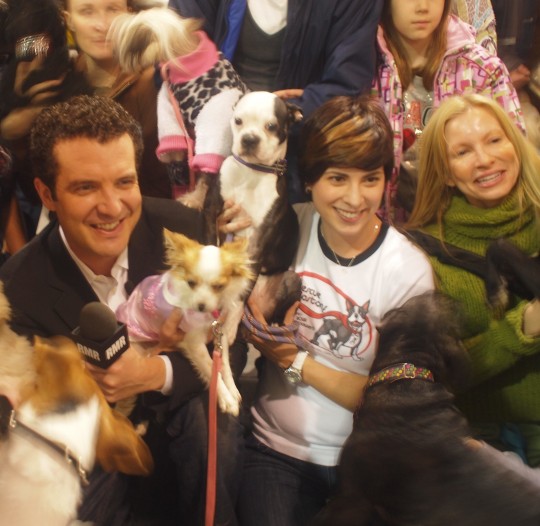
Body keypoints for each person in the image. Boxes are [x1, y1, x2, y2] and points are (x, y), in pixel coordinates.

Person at [0, 95, 246, 525]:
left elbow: (231, 347)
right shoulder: (21, 285)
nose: (112, 207)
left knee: (212, 427)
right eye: (85, 187)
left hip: (184, 425)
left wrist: (157, 374)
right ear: (46, 194)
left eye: (124, 182)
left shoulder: (184, 230)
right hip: (96, 449)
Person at [236, 95, 434, 526]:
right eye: (337, 177)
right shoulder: (283, 226)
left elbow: (395, 400)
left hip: (366, 465)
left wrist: (294, 360)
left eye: (371, 178)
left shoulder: (407, 270)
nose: (355, 198)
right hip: (275, 452)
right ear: (309, 179)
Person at [406, 93, 540, 466]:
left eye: (495, 140)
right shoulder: (423, 252)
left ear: (515, 144)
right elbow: (436, 375)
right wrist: (522, 328)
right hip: (477, 435)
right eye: (463, 152)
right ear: (446, 172)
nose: (485, 160)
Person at [167, 0, 383, 203]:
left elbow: (347, 86)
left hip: (302, 157)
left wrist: (283, 115)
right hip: (208, 148)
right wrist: (228, 120)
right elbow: (175, 51)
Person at [0, 0, 171, 241]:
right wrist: (17, 130)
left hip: (143, 238)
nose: (101, 25)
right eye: (87, 11)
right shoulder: (56, 78)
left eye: (112, 9)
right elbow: (39, 191)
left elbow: (165, 188)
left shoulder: (157, 82)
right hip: (74, 239)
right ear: (68, 19)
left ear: (129, 13)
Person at [373, 0, 525, 223]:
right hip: (383, 229)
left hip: (464, 225)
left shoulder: (482, 70)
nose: (422, 6)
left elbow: (513, 155)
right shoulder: (363, 70)